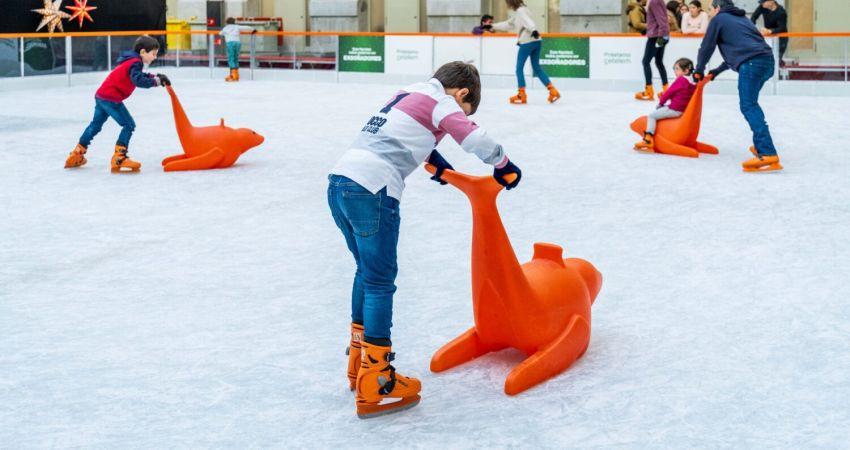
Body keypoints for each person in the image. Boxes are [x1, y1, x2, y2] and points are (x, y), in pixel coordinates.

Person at [328, 61, 522, 418]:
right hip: (373, 188)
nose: (458, 116)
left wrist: (438, 164)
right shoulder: (443, 103)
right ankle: (378, 379)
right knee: (381, 282)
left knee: (366, 273)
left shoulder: (407, 93)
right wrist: (504, 164)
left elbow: (410, 135)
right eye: (466, 107)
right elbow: (474, 139)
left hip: (340, 182)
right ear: (462, 93)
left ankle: (359, 361)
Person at [695, 0, 782, 172]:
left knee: (748, 105)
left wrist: (699, 70)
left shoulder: (719, 19)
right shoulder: (743, 20)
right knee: (751, 104)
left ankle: (767, 152)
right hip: (767, 62)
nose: (710, 13)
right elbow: (742, 50)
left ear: (718, 8)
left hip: (752, 64)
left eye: (710, 10)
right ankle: (761, 146)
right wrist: (716, 71)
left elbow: (706, 47)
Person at [65, 35, 170, 173]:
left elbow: (138, 75)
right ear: (143, 52)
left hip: (101, 96)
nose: (155, 57)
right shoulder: (136, 62)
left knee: (95, 126)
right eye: (153, 54)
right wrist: (155, 81)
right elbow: (137, 80)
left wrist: (155, 77)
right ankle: (119, 158)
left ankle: (76, 153)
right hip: (111, 98)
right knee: (129, 125)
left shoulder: (132, 61)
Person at [492, 0, 560, 104]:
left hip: (527, 42)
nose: (508, 6)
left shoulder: (520, 11)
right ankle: (552, 90)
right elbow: (508, 24)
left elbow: (528, 22)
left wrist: (533, 30)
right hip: (537, 41)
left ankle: (521, 94)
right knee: (537, 68)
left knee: (519, 68)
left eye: (508, 3)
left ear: (512, 3)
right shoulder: (524, 10)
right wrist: (492, 26)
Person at [635, 58, 697, 152]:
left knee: (652, 116)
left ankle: (647, 139)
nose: (675, 71)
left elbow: (669, 92)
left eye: (677, 69)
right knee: (662, 110)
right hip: (683, 109)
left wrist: (661, 103)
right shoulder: (693, 82)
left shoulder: (681, 80)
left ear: (686, 70)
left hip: (675, 109)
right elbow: (682, 94)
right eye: (674, 68)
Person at [635, 0, 671, 101]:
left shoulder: (654, 1)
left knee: (646, 61)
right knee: (659, 62)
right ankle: (666, 90)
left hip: (656, 36)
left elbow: (661, 20)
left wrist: (661, 36)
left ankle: (649, 90)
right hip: (660, 35)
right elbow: (659, 19)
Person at [220, 18, 257, 82]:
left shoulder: (225, 28)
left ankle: (233, 75)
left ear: (226, 23)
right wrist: (253, 30)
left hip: (230, 43)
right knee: (236, 58)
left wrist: (225, 33)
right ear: (234, 22)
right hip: (237, 43)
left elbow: (220, 33)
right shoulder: (237, 27)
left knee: (231, 58)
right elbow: (246, 27)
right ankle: (236, 75)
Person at [752, 0, 788, 65]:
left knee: (777, 58)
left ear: (771, 1)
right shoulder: (762, 7)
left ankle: (779, 66)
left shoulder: (781, 12)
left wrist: (770, 31)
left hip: (781, 37)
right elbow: (754, 17)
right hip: (769, 37)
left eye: (763, 2)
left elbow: (782, 27)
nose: (762, 4)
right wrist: (752, 28)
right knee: (767, 56)